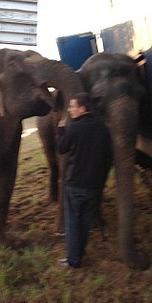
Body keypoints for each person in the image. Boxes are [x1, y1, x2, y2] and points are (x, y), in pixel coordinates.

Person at [56, 92, 112, 268]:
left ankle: (74, 260)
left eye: (72, 106)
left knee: (73, 223)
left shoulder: (73, 128)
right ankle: (80, 253)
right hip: (94, 186)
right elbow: (107, 158)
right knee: (85, 222)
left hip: (75, 184)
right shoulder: (103, 128)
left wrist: (60, 129)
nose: (69, 109)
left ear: (83, 108)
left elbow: (62, 148)